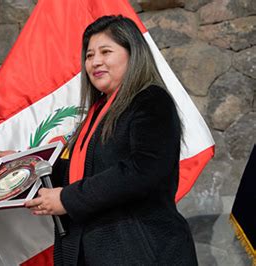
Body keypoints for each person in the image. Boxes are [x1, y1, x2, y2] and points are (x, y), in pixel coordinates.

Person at [24, 15, 198, 265]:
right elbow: (79, 172)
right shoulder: (96, 112)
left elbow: (143, 171)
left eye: (105, 51)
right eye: (89, 55)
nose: (95, 62)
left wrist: (66, 199)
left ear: (132, 54)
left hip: (140, 250)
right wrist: (22, 164)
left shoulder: (150, 100)